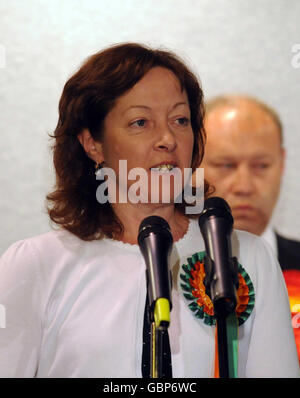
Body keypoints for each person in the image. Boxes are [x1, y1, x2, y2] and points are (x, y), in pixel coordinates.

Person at [0, 44, 299, 378]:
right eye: (141, 122)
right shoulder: (36, 264)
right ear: (92, 143)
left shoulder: (246, 256)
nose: (167, 138)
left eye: (180, 120)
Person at [200, 94, 300, 360]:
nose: (244, 185)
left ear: (282, 164)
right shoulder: (165, 271)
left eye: (261, 166)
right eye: (226, 165)